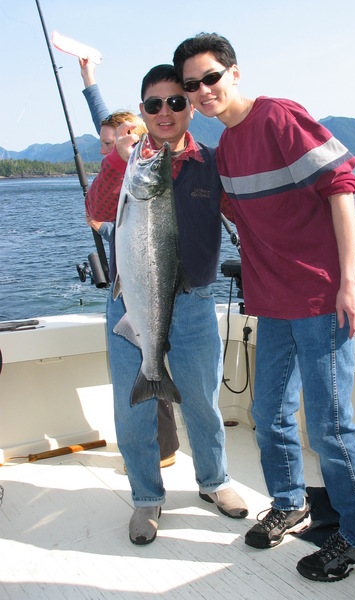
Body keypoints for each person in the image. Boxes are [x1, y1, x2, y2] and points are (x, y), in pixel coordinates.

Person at [173, 34, 355, 582]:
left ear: (234, 73)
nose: (203, 90)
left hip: (322, 298)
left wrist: (349, 283)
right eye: (192, 85)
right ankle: (290, 503)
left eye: (211, 77)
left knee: (330, 425)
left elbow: (341, 187)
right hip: (273, 303)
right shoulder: (224, 150)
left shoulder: (278, 117)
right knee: (268, 414)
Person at [85, 64, 248, 546]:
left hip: (195, 301)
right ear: (142, 111)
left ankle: (214, 481)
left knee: (202, 401)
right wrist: (117, 161)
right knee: (132, 410)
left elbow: (246, 215)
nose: (165, 112)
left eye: (176, 101)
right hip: (130, 304)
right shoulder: (128, 164)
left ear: (190, 108)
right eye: (154, 104)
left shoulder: (211, 163)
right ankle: (146, 496)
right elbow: (97, 212)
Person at [80, 58, 179, 469]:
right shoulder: (122, 160)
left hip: (146, 280)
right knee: (139, 373)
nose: (108, 148)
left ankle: (167, 450)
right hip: (129, 283)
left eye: (114, 142)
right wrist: (89, 79)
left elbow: (120, 128)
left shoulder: (141, 160)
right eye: (104, 144)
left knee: (154, 362)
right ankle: (150, 459)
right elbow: (109, 124)